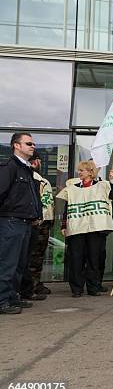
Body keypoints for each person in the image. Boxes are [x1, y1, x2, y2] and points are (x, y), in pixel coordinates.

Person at [56, 161, 113, 297]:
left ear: (90, 172)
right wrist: (64, 225)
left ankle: (93, 287)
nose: (79, 173)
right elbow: (67, 207)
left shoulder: (102, 186)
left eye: (82, 170)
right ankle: (77, 289)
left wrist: (112, 181)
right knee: (76, 259)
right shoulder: (72, 188)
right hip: (77, 228)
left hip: (96, 228)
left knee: (94, 259)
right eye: (79, 170)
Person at [0, 133, 42, 314]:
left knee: (19, 263)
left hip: (25, 222)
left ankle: (12, 297)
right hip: (11, 221)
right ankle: (2, 300)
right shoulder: (9, 167)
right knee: (7, 263)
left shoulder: (27, 169)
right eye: (29, 143)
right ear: (16, 146)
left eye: (33, 143)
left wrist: (36, 215)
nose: (33, 146)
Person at [23, 151, 53, 297]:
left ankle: (35, 283)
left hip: (44, 223)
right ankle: (30, 287)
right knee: (33, 257)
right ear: (35, 162)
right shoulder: (30, 177)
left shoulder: (40, 179)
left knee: (38, 257)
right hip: (35, 222)